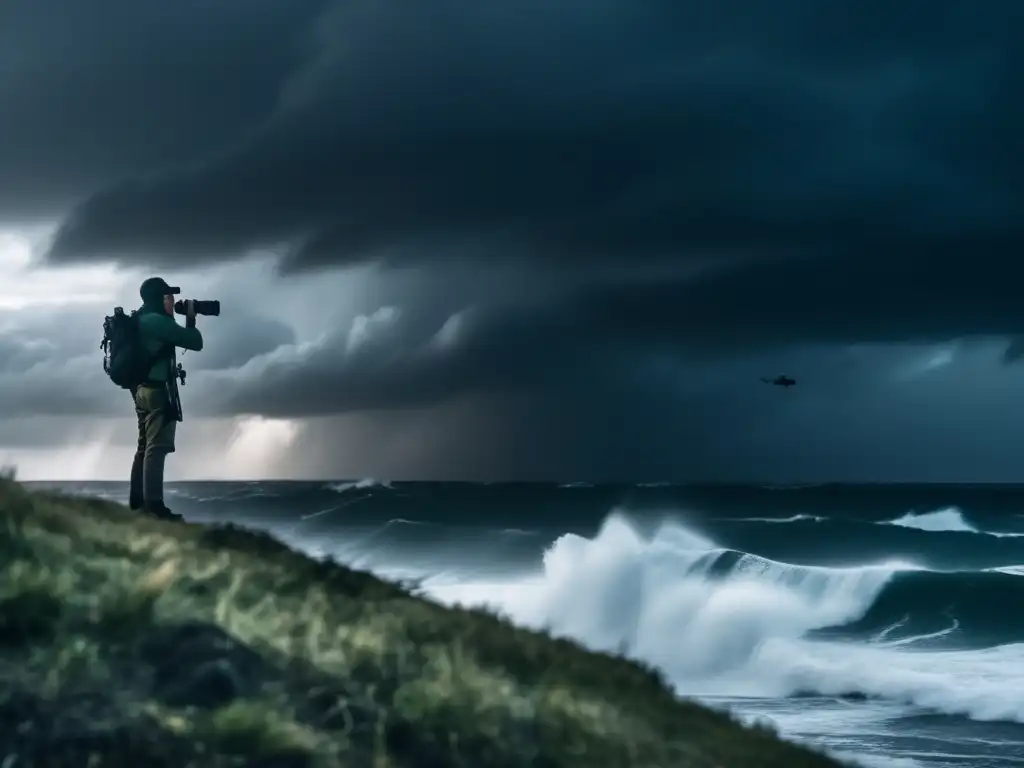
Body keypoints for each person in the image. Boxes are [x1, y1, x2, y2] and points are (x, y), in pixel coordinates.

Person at [129, 277, 204, 521]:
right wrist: (190, 317)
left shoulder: (141, 317)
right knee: (157, 447)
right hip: (157, 392)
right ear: (159, 299)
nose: (173, 301)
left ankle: (137, 502)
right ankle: (155, 506)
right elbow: (195, 342)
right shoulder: (157, 322)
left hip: (140, 390)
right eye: (168, 297)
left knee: (144, 445)